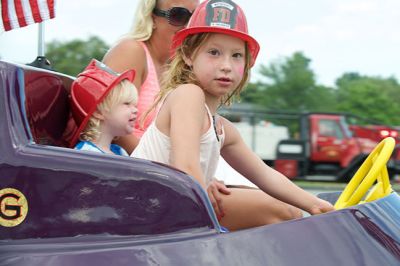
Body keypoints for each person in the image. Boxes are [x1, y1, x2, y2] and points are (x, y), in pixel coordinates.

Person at [132, 0, 335, 231]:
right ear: (188, 55)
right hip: (145, 209)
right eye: (214, 52)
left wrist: (317, 204)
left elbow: (266, 175)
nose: (226, 65)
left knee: (291, 210)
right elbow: (185, 167)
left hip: (172, 206)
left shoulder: (223, 129)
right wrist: (205, 207)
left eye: (237, 55)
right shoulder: (188, 96)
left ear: (247, 63)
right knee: (283, 212)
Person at [103, 0, 199, 153]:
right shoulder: (131, 51)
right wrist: (165, 168)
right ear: (152, 17)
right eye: (178, 15)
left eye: (196, 18)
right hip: (125, 167)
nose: (188, 26)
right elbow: (111, 127)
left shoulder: (185, 69)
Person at [69, 59, 138, 156]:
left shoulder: (120, 152)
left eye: (135, 105)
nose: (135, 110)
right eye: (127, 103)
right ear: (98, 112)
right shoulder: (85, 155)